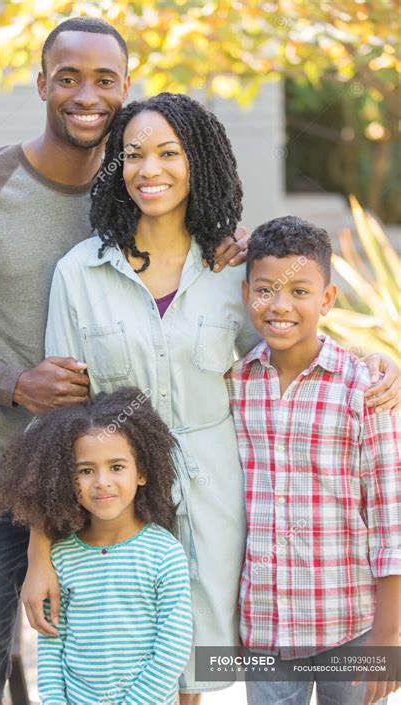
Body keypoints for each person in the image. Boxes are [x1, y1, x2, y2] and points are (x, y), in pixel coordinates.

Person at [28, 92, 400, 704]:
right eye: (133, 155)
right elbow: (58, 425)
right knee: (123, 663)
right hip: (118, 500)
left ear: (197, 160)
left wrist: (376, 364)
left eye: (169, 152)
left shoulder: (233, 266)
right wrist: (41, 550)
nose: (151, 169)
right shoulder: (80, 273)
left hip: (225, 501)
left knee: (199, 669)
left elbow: (292, 345)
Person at [0, 17, 251, 702]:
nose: (87, 94)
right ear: (41, 82)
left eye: (105, 79)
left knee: (162, 677)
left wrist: (230, 240)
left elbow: (265, 332)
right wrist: (14, 384)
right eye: (67, 77)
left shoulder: (154, 202)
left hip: (138, 489)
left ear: (126, 86)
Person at [228, 216, 400, 705]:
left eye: (299, 291)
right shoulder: (235, 385)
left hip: (350, 622)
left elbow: (391, 515)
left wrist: (389, 634)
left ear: (327, 300)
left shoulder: (364, 389)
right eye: (265, 290)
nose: (280, 305)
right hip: (266, 623)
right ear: (246, 296)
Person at [0, 387, 193, 704]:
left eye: (116, 466)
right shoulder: (60, 556)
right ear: (63, 478)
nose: (102, 482)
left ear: (142, 473)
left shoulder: (163, 553)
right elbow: (52, 644)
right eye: (85, 470)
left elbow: (173, 644)